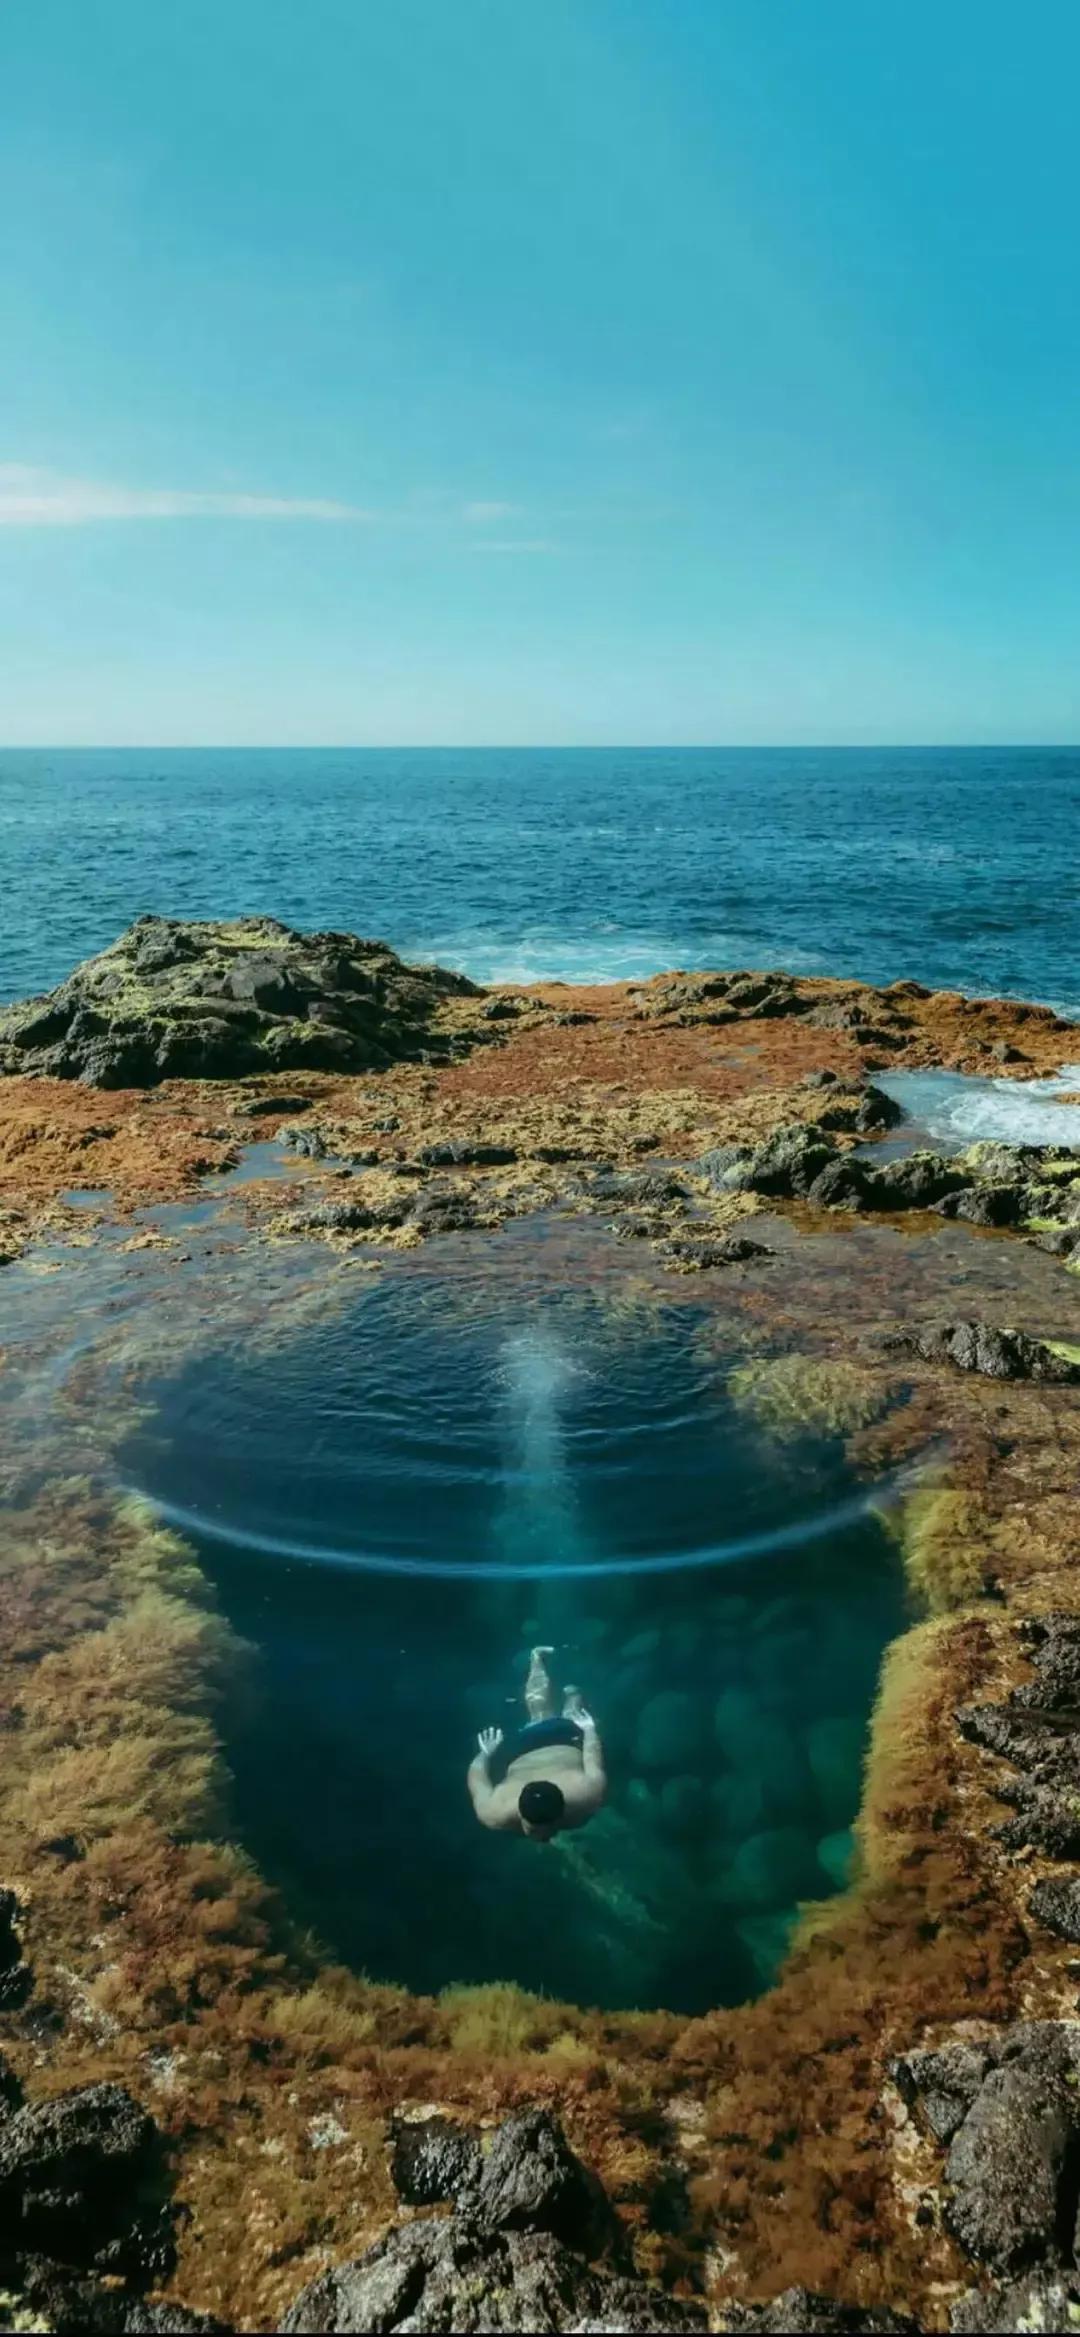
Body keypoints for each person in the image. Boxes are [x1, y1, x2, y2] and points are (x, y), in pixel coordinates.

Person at [467, 1645, 607, 1840]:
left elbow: (478, 1779)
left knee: (541, 1712)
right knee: (559, 1715)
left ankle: (555, 1677)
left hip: (529, 1749)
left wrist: (485, 1753)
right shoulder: (588, 1795)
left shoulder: (494, 1811)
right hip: (559, 1744)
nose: (545, 1835)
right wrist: (589, 1729)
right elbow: (592, 1758)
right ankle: (555, 1677)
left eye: (550, 1826)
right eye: (533, 1828)